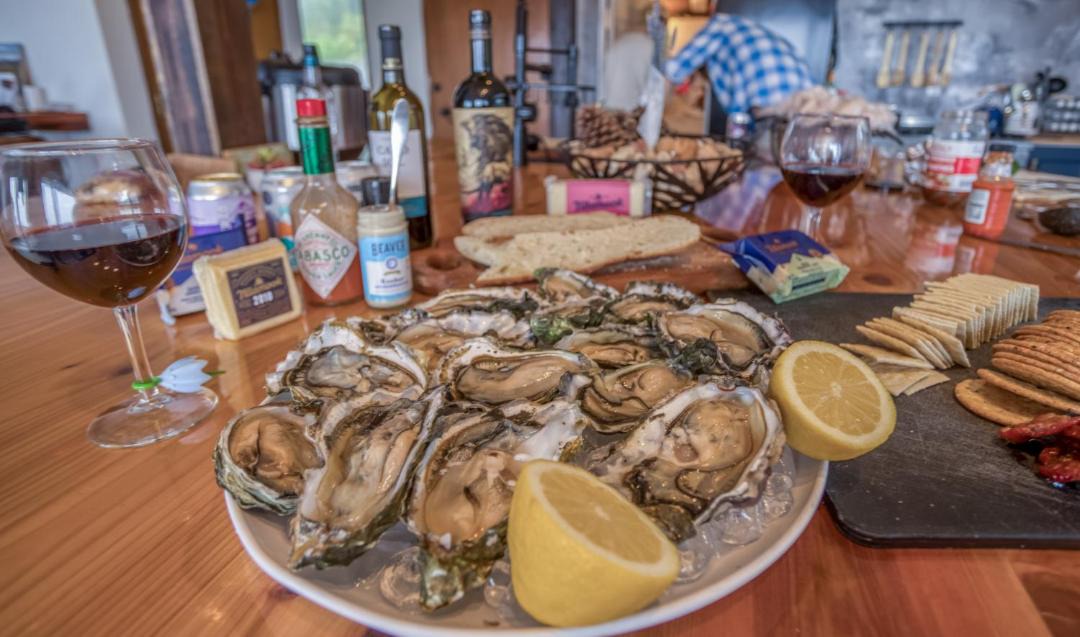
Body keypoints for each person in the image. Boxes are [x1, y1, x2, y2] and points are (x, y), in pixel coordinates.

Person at [665, 13, 813, 115]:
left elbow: (674, 69)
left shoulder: (719, 23)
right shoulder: (747, 30)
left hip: (769, 98)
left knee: (762, 154)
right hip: (807, 101)